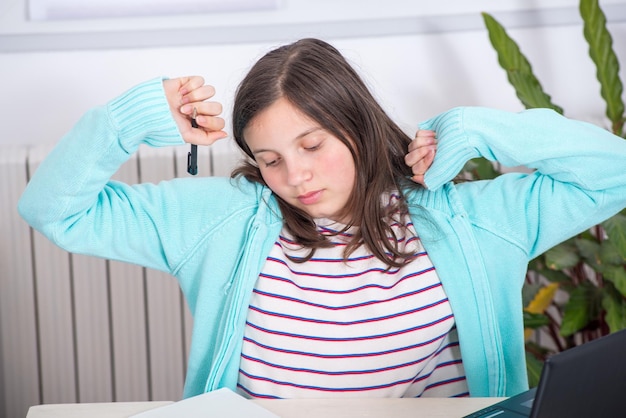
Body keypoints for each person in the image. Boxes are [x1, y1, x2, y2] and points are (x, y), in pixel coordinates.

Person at [18, 38, 626, 400]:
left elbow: (615, 173)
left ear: (358, 125)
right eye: (271, 159)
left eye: (312, 146)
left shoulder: (471, 218)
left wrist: (488, 128)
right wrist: (126, 123)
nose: (296, 178)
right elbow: (53, 211)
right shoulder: (220, 219)